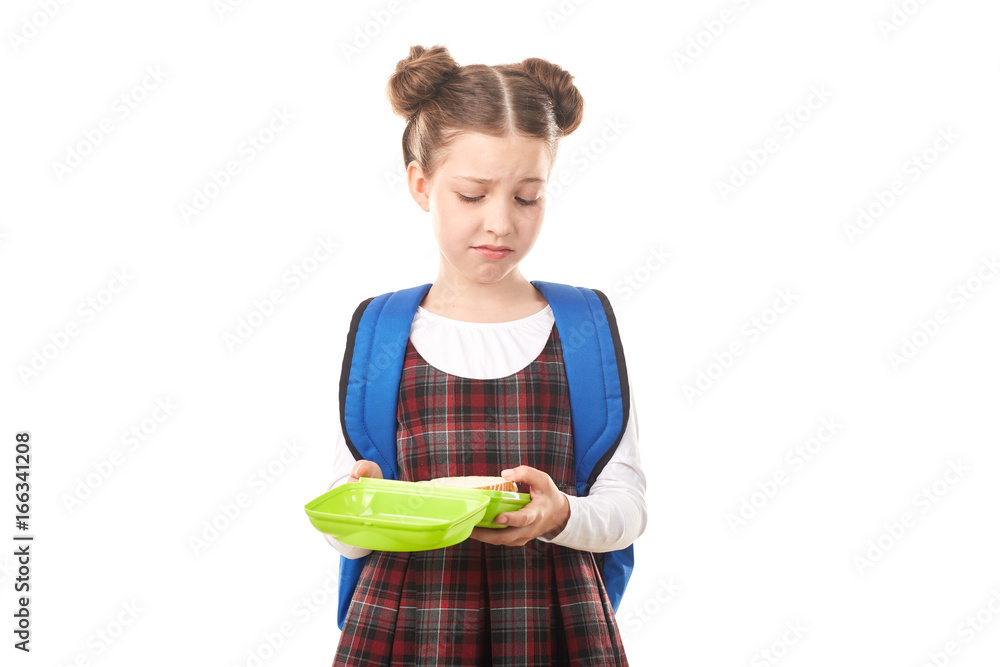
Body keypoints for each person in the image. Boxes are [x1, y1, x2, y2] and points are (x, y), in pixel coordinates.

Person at [324, 44, 647, 666]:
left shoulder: (585, 326)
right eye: (473, 194)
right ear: (422, 185)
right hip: (407, 634)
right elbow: (346, 539)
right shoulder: (378, 330)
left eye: (527, 197)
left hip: (554, 632)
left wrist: (560, 514)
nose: (501, 222)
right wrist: (358, 507)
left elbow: (626, 508)